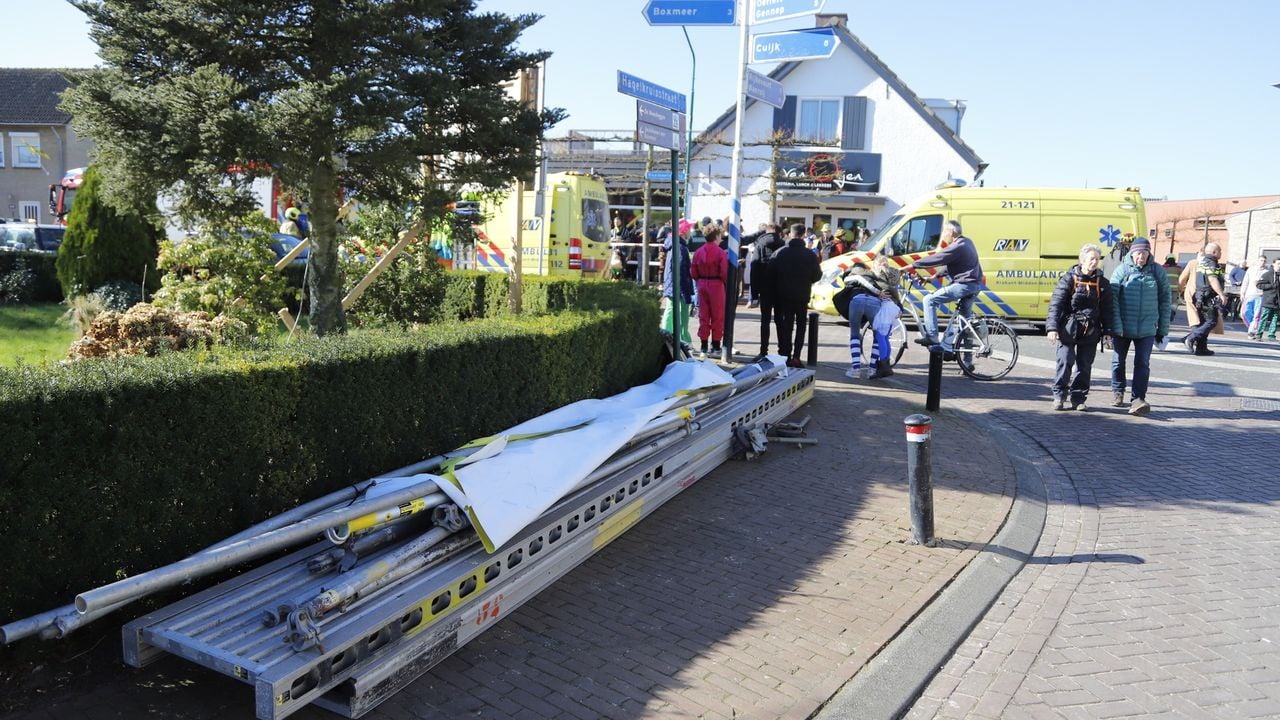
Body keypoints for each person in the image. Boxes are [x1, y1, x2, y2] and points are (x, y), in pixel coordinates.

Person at [1046, 244, 1113, 411]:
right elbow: (1056, 304)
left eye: (1097, 259)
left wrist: (1107, 332)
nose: (1094, 262)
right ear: (1082, 260)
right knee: (1065, 360)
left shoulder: (1102, 283)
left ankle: (1078, 398)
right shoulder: (1069, 279)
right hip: (1069, 328)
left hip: (1090, 329)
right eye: (1091, 259)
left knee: (1084, 366)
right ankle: (1059, 396)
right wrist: (1052, 328)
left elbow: (1107, 309)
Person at [1109, 238, 1171, 416]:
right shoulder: (1121, 270)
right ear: (1132, 253)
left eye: (1145, 253)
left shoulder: (1157, 271)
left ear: (1149, 253)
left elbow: (1165, 300)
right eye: (1138, 253)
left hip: (1147, 328)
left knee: (1142, 363)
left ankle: (1138, 398)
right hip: (1123, 326)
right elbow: (1112, 300)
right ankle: (1118, 391)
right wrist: (1116, 325)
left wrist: (1162, 330)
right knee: (1118, 361)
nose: (1141, 257)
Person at [909, 220, 983, 348]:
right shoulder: (967, 242)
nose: (943, 235)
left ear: (951, 232)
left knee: (929, 300)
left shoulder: (957, 246)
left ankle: (932, 336)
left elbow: (937, 258)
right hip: (973, 285)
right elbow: (954, 265)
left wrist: (911, 266)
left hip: (964, 285)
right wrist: (934, 277)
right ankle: (967, 361)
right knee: (964, 324)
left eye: (944, 231)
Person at [765, 223, 822, 367]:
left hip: (783, 296)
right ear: (803, 235)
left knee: (786, 326)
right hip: (802, 295)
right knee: (801, 326)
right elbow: (817, 275)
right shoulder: (809, 255)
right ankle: (796, 356)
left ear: (790, 234)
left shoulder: (780, 253)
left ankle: (785, 354)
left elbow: (770, 274)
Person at [1179, 242, 1227, 356]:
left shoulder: (1203, 262)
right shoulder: (1211, 263)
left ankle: (1201, 347)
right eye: (1220, 251)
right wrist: (1221, 294)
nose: (1221, 253)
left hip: (1200, 296)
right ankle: (1190, 338)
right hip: (1207, 296)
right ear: (1214, 252)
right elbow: (1212, 279)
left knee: (1203, 322)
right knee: (1212, 321)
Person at [690, 225, 729, 355]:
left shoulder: (698, 252)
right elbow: (724, 272)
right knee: (717, 316)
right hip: (716, 284)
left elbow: (693, 271)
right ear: (716, 236)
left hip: (702, 283)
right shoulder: (720, 252)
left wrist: (699, 280)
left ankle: (703, 346)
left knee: (704, 316)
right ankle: (716, 345)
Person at [658, 221, 694, 345]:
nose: (691, 231)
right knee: (681, 313)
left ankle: (667, 335)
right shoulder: (680, 247)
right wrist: (687, 291)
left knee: (671, 310)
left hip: (672, 284)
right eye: (689, 229)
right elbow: (681, 271)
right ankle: (681, 340)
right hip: (678, 286)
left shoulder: (674, 244)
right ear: (684, 232)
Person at [752, 224, 786, 354]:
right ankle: (782, 350)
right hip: (781, 288)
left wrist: (754, 294)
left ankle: (763, 350)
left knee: (765, 321)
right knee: (780, 320)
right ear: (779, 232)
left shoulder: (760, 245)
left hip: (765, 288)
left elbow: (754, 269)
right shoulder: (784, 245)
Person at [1252, 257, 1280, 341]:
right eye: (1278, 264)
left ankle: (1271, 335)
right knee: (1264, 317)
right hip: (1268, 300)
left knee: (1275, 318)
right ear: (1274, 264)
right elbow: (1259, 285)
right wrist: (1271, 286)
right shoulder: (1267, 274)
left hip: (1277, 301)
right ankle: (1259, 334)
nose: (1279, 266)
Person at [1242, 255, 1269, 337]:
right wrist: (1242, 293)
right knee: (1245, 312)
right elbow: (1245, 282)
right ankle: (1251, 325)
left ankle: (1252, 331)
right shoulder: (1251, 270)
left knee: (1257, 314)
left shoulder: (1266, 272)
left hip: (1260, 295)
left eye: (1264, 261)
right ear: (1257, 261)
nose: (1262, 262)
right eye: (1261, 260)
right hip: (1249, 294)